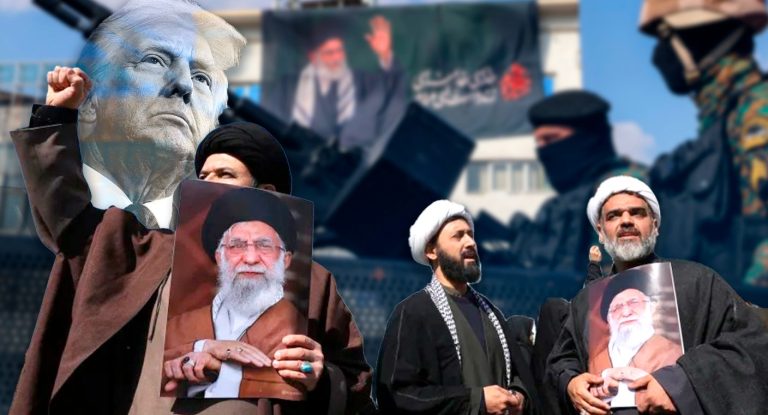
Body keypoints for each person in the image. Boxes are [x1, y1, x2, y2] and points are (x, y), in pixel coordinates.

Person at [9, 64, 372, 413]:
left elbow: (355, 386)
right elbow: (68, 215)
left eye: (225, 175)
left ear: (266, 193)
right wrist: (57, 117)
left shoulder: (314, 284)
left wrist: (319, 378)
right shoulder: (147, 254)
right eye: (203, 176)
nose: (208, 183)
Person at [548, 175, 768, 415]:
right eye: (614, 216)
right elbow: (563, 358)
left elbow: (751, 344)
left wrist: (680, 384)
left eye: (637, 213)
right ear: (600, 231)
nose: (626, 221)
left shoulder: (697, 281)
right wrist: (570, 383)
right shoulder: (585, 301)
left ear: (655, 225)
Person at [73, 0, 245, 228]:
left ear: (213, 126)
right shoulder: (38, 201)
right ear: (88, 102)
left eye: (201, 78)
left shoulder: (227, 236)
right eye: (154, 60)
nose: (184, 84)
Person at [639, 0, 768, 286]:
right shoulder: (724, 118)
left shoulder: (757, 113)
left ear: (703, 36)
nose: (661, 54)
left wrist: (744, 306)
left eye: (668, 38)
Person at [375, 200, 537, 415]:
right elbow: (398, 394)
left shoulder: (492, 314)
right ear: (432, 251)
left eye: (470, 235)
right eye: (458, 236)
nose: (470, 242)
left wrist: (519, 395)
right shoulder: (413, 312)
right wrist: (477, 401)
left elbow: (515, 373)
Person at [163, 188, 307, 399]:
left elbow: (295, 388)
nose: (250, 259)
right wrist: (204, 347)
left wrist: (218, 367)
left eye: (264, 246)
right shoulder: (179, 327)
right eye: (237, 246)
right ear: (219, 257)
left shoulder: (298, 331)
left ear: (285, 260)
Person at [505, 90, 647, 272]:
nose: (544, 151)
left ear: (588, 137)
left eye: (551, 139)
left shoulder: (625, 187)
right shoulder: (557, 205)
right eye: (539, 143)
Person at [262, 15, 407, 152]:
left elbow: (390, 92)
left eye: (340, 50)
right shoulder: (288, 89)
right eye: (329, 52)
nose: (337, 57)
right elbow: (273, 128)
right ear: (313, 57)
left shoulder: (363, 81)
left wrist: (385, 55)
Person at [589, 274, 682, 408]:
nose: (626, 312)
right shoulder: (596, 362)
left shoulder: (672, 353)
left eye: (634, 302)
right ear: (608, 319)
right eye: (617, 307)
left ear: (652, 307)